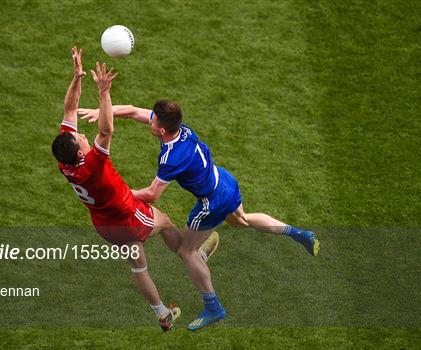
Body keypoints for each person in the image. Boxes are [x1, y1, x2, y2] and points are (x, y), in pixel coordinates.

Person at [78, 101, 320, 331]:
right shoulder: (181, 129)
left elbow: (152, 195)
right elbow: (131, 111)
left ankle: (212, 306)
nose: (149, 122)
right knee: (242, 221)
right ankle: (300, 234)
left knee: (187, 252)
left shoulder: (171, 158)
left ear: (161, 129)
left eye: (153, 122)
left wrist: (115, 192)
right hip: (223, 181)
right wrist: (103, 112)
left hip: (210, 203)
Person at [51, 49, 218, 331]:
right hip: (127, 217)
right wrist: (104, 92)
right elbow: (106, 131)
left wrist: (76, 78)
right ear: (80, 151)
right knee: (164, 221)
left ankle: (163, 314)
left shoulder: (65, 161)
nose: (80, 134)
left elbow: (69, 109)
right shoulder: (92, 163)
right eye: (79, 138)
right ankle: (192, 254)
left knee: (138, 263)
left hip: (103, 225)